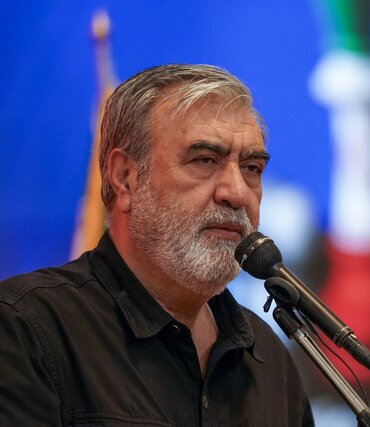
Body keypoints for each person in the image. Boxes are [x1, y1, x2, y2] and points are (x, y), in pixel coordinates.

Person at [0, 64, 314, 426]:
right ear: (125, 178)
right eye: (205, 160)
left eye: (252, 168)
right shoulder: (27, 330)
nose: (237, 193)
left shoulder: (269, 358)